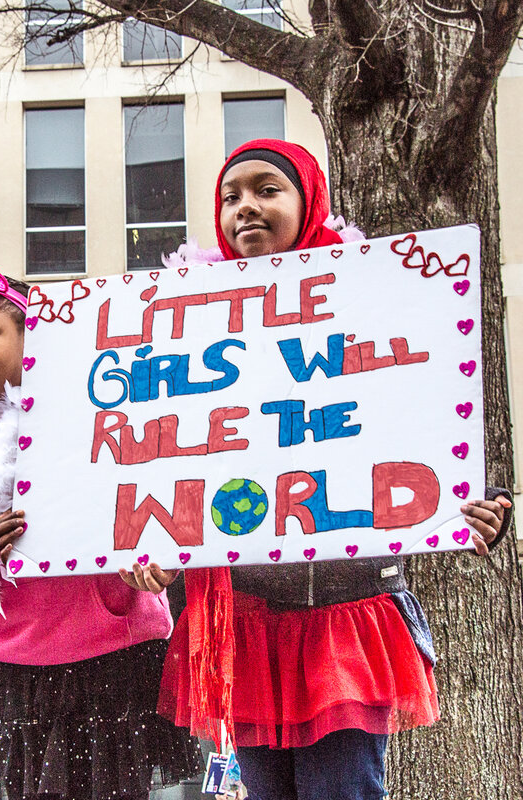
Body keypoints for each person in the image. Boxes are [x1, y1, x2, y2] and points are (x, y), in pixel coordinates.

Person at [122, 139, 514, 800]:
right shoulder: (192, 326)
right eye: (230, 196)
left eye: (266, 190)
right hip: (247, 628)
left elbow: (426, 415)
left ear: (309, 201)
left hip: (347, 623)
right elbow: (179, 454)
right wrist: (157, 545)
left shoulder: (375, 300)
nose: (245, 207)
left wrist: (478, 503)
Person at [0, 269, 202, 800]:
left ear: (37, 336)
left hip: (114, 660)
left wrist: (160, 560)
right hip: (21, 672)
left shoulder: (108, 418)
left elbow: (159, 502)